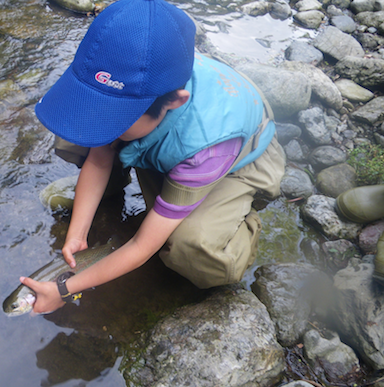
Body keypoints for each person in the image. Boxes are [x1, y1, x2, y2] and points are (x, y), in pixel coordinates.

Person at [20, 0, 286, 314]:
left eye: (117, 117)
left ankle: (238, 219)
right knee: (77, 129)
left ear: (174, 101)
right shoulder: (126, 68)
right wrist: (78, 233)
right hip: (165, 134)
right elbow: (99, 157)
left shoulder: (207, 148)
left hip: (233, 158)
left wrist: (64, 288)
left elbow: (142, 246)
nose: (103, 124)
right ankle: (120, 180)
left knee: (192, 248)